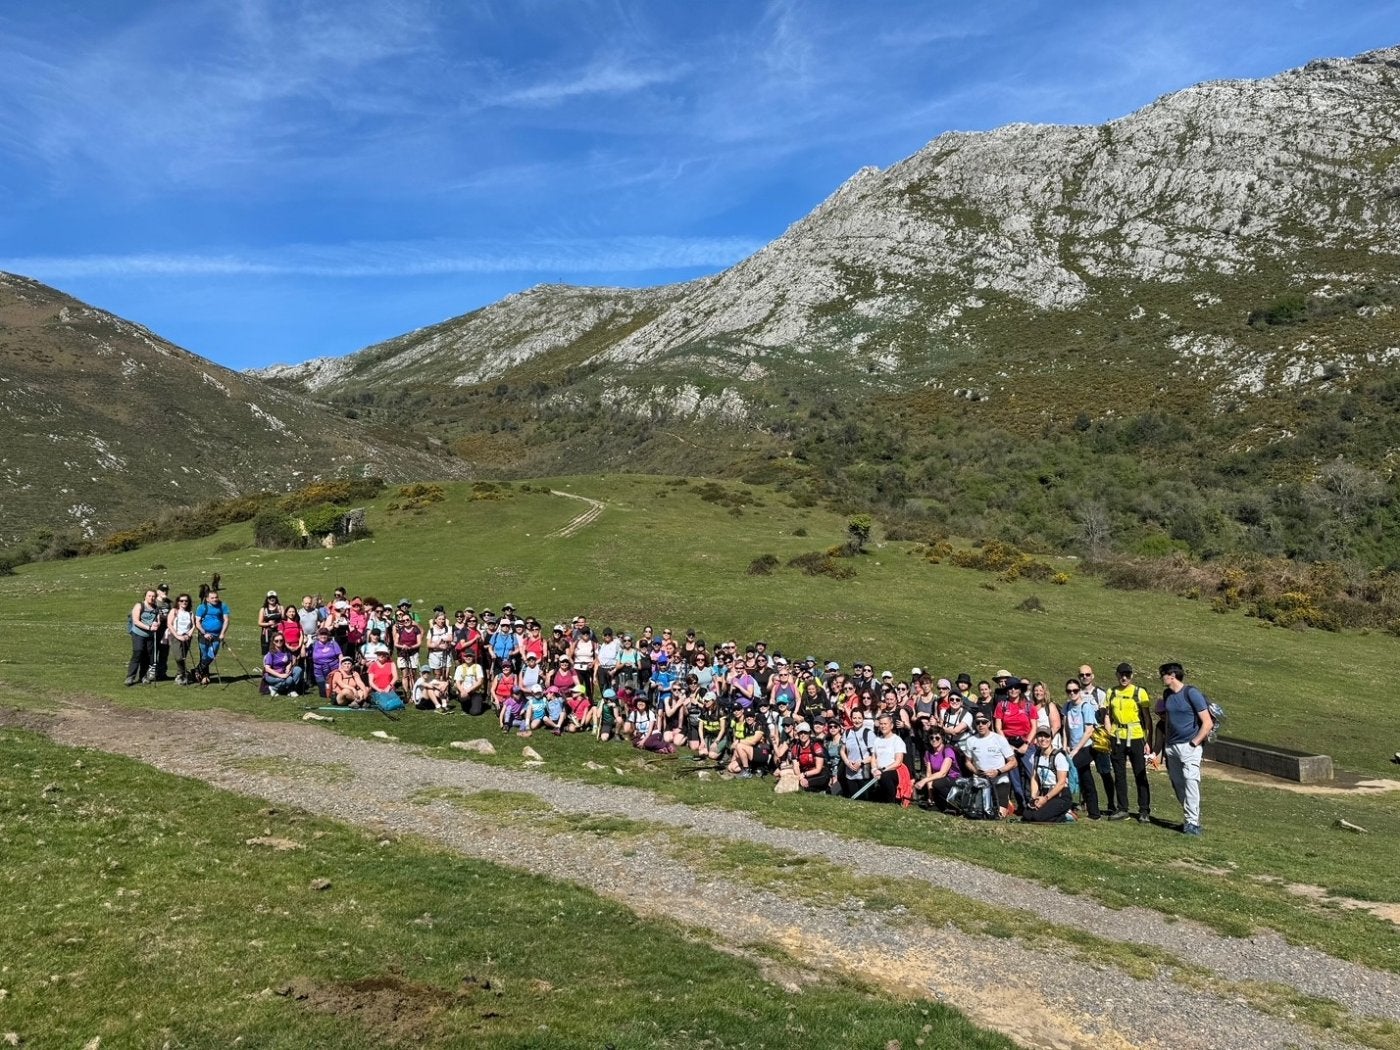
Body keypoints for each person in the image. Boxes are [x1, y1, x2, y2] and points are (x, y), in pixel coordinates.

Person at [1159, 662, 1213, 836]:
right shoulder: (1167, 694)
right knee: (1178, 784)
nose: (1161, 677)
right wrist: (1165, 743)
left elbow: (1207, 723)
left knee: (1191, 782)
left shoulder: (1191, 693)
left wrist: (1194, 743)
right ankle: (1190, 817)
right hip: (1172, 747)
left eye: (1163, 674)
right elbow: (1167, 720)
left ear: (1172, 675)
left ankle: (1192, 823)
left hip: (1190, 746)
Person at [1106, 662, 1151, 822]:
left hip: (1136, 736)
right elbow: (1107, 714)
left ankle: (1144, 810)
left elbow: (1146, 717)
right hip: (1117, 736)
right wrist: (1109, 734)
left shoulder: (1139, 692)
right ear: (1117, 675)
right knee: (1119, 774)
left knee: (1140, 773)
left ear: (1131, 676)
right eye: (1121, 674)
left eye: (1127, 675)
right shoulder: (1111, 692)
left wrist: (1147, 741)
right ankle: (1122, 808)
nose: (1124, 678)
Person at [1062, 678, 1102, 819]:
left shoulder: (1086, 706)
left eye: (1075, 690)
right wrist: (1065, 745)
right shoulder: (1067, 707)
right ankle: (1094, 812)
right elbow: (1066, 728)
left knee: (1066, 774)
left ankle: (1065, 807)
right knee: (1086, 778)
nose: (1072, 693)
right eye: (1069, 691)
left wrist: (1076, 750)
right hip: (1072, 747)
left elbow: (1089, 731)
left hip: (1085, 747)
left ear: (1079, 690)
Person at [964, 714, 1017, 817]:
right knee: (978, 815)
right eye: (977, 723)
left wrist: (998, 771)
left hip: (1000, 781)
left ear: (988, 723)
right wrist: (976, 771)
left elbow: (1013, 762)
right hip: (981, 782)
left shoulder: (999, 739)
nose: (980, 725)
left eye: (983, 722)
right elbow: (967, 761)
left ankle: (1006, 804)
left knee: (998, 816)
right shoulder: (971, 741)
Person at [1023, 728, 1075, 823]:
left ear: (1051, 738)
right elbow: (1034, 778)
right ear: (1036, 738)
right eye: (1040, 736)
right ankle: (1056, 813)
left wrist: (1045, 798)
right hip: (1044, 794)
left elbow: (1061, 783)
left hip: (1060, 795)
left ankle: (1066, 815)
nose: (1043, 739)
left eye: (1046, 736)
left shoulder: (1059, 756)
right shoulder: (1037, 755)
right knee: (1026, 815)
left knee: (1037, 817)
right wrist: (1034, 797)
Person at [867, 712, 910, 804]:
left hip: (894, 771)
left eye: (885, 724)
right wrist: (874, 769)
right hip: (879, 771)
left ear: (891, 725)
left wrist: (883, 770)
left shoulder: (897, 740)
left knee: (885, 776)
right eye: (881, 724)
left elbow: (898, 762)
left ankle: (892, 801)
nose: (883, 726)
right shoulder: (877, 740)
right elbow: (873, 758)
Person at [913, 728, 961, 811]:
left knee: (938, 783)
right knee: (935, 784)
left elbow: (942, 773)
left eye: (937, 738)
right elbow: (929, 774)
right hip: (939, 780)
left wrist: (923, 781)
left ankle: (957, 804)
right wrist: (930, 795)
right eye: (931, 738)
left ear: (942, 739)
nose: (934, 740)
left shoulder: (948, 751)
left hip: (954, 780)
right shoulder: (928, 753)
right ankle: (942, 805)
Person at [125, 589, 161, 686]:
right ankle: (130, 677)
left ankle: (143, 676)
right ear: (145, 596)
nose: (151, 598)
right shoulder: (139, 606)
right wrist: (149, 627)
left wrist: (156, 624)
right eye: (149, 596)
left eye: (153, 596)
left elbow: (158, 620)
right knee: (138, 652)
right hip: (138, 633)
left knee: (147, 655)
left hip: (149, 635)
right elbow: (136, 621)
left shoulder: (156, 608)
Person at [193, 588, 229, 685]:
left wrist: (222, 633)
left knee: (212, 655)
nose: (215, 599)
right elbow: (197, 622)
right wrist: (204, 633)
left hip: (217, 635)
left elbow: (226, 620)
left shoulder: (222, 606)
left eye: (216, 597)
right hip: (203, 635)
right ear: (207, 599)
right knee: (204, 655)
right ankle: (204, 675)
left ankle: (197, 670)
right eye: (212, 598)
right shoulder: (202, 607)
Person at [166, 592, 196, 685]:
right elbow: (169, 624)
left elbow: (194, 625)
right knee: (178, 657)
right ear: (178, 602)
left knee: (183, 657)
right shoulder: (174, 611)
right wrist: (177, 635)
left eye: (186, 601)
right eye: (181, 600)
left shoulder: (190, 613)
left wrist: (189, 634)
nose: (184, 602)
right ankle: (183, 673)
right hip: (176, 637)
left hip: (187, 637)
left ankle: (180, 675)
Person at [152, 583, 173, 681]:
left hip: (166, 631)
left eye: (166, 590)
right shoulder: (154, 602)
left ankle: (162, 673)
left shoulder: (169, 603)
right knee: (153, 652)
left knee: (164, 653)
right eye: (162, 590)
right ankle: (152, 673)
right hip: (156, 631)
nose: (165, 592)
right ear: (158, 591)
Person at [257, 592, 283, 656]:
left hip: (278, 633)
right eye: (270, 597)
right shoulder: (263, 609)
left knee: (278, 651)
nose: (272, 599)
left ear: (276, 598)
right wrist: (269, 624)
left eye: (273, 597)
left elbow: (284, 621)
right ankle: (267, 665)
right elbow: (260, 623)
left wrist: (276, 624)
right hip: (266, 634)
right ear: (267, 599)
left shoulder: (280, 608)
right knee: (266, 653)